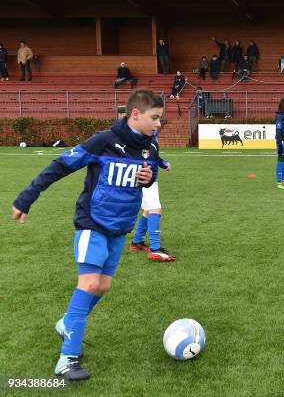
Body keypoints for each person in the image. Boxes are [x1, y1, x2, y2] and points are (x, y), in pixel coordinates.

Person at [11, 89, 163, 380]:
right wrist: (27, 197)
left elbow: (150, 173)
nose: (158, 124)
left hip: (120, 228)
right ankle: (67, 359)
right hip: (92, 224)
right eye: (154, 118)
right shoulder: (103, 141)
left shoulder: (150, 147)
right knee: (89, 283)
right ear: (135, 114)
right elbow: (61, 165)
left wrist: (149, 177)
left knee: (103, 287)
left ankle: (68, 321)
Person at [130, 130, 175, 261]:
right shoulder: (141, 136)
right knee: (155, 208)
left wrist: (163, 163)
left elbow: (154, 158)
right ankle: (155, 249)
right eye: (154, 118)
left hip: (151, 180)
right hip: (144, 180)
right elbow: (140, 157)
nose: (158, 124)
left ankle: (137, 242)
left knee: (148, 210)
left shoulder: (153, 136)